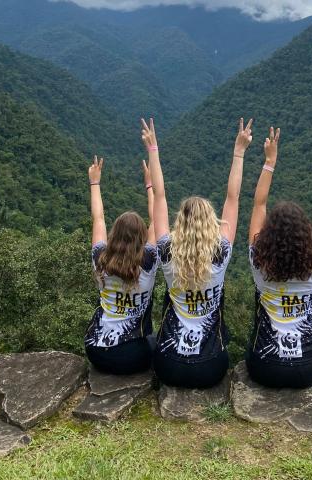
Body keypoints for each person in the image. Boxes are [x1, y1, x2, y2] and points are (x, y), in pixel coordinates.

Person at [142, 117, 251, 388]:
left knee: (152, 337)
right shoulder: (221, 252)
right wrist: (239, 152)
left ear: (180, 223)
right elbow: (233, 198)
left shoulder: (166, 252)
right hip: (210, 368)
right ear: (211, 223)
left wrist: (153, 151)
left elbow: (160, 197)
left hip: (169, 365)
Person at [246, 128, 312, 388]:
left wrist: (269, 162)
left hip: (264, 367)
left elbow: (258, 206)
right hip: (309, 367)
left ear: (267, 235)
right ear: (305, 234)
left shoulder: (259, 262)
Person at [84, 154, 159, 375]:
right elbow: (156, 219)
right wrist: (150, 184)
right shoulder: (148, 260)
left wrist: (94, 182)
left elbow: (98, 219)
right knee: (158, 341)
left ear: (114, 234)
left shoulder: (101, 258)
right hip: (133, 356)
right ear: (142, 238)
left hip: (96, 350)